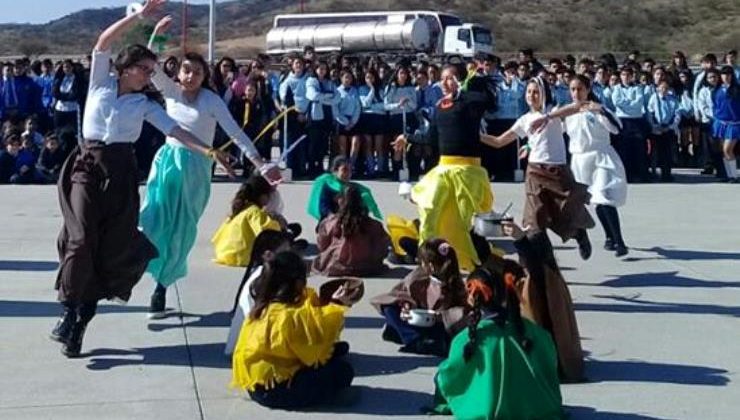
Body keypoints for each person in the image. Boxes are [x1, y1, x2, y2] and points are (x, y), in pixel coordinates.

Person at [51, 0, 232, 357]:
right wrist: (136, 16)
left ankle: (80, 320)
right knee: (82, 237)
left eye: (152, 70)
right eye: (146, 69)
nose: (151, 75)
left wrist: (210, 152)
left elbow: (176, 130)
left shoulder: (146, 105)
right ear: (127, 68)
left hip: (120, 173)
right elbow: (102, 42)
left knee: (109, 249)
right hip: (86, 166)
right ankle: (69, 310)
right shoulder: (100, 82)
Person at [140, 16, 281, 319]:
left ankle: (161, 288)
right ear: (177, 72)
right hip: (168, 161)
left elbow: (236, 133)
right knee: (152, 218)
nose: (190, 76)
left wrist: (260, 164)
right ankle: (140, 262)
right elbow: (148, 64)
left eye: (197, 72)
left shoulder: (211, 100)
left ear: (205, 76)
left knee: (181, 229)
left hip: (197, 169)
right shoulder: (170, 92)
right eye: (186, 70)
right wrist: (157, 36)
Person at [391, 64, 495, 271]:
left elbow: (489, 101)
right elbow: (431, 139)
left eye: (451, 78)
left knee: (462, 221)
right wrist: (407, 137)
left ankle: (472, 262)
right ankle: (426, 256)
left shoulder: (470, 103)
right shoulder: (439, 107)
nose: (446, 83)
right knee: (430, 211)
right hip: (443, 169)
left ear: (461, 81)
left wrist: (472, 83)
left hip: (467, 171)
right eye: (443, 78)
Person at [482, 77, 595, 260]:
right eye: (528, 92)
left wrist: (547, 117)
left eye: (536, 92)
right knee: (534, 220)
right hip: (535, 172)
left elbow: (578, 106)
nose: (531, 96)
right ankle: (542, 261)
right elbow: (499, 141)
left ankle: (579, 234)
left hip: (557, 171)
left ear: (544, 94)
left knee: (563, 213)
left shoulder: (554, 112)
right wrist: (475, 135)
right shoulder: (524, 119)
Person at [428, 267, 563, 419]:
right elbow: (550, 365)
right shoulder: (537, 333)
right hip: (538, 408)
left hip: (488, 411)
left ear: (472, 296)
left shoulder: (466, 339)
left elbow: (449, 376)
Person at [231, 251, 356, 409]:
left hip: (256, 383)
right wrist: (336, 305)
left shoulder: (264, 305)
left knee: (337, 350)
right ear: (297, 284)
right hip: (276, 390)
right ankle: (329, 397)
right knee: (343, 371)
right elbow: (312, 352)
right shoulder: (288, 317)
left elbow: (305, 324)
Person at [562, 75, 629, 256]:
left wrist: (601, 111)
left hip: (601, 157)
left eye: (580, 89)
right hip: (580, 161)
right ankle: (609, 237)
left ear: (588, 90)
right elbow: (549, 130)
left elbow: (617, 127)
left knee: (603, 196)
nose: (576, 93)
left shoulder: (597, 109)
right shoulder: (567, 112)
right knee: (595, 200)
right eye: (573, 89)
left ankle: (620, 242)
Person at [371, 239, 468, 357]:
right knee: (389, 307)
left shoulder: (454, 283)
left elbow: (464, 310)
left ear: (430, 266)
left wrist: (442, 316)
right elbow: (399, 292)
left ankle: (414, 339)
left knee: (443, 334)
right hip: (417, 318)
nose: (421, 265)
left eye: (423, 262)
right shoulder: (419, 275)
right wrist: (405, 305)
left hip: (436, 325)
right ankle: (415, 339)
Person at [225, 230, 293, 357]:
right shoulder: (265, 280)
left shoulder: (261, 273)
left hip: (245, 346)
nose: (290, 257)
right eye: (285, 253)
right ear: (268, 255)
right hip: (253, 350)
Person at [313, 185, 391, 276]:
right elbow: (382, 247)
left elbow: (322, 244)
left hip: (337, 265)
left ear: (340, 201)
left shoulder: (331, 222)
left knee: (318, 261)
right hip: (368, 266)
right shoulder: (373, 224)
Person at [211, 175, 281, 270]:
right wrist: (278, 224)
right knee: (285, 236)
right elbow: (267, 231)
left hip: (224, 253)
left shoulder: (239, 210)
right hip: (243, 257)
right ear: (262, 196)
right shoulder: (254, 212)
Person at [307, 155, 382, 223]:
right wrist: (332, 216)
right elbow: (323, 207)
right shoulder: (328, 186)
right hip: (330, 222)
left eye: (350, 170)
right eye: (344, 170)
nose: (348, 173)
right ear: (335, 171)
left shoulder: (354, 188)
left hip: (351, 222)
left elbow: (363, 210)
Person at [647, 79, 681, 181]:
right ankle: (653, 172)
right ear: (658, 88)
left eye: (666, 88)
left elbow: (677, 114)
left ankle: (666, 174)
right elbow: (650, 113)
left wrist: (672, 126)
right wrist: (654, 126)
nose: (664, 90)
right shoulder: (653, 98)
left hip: (668, 128)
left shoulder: (673, 99)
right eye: (662, 87)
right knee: (655, 152)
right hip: (657, 128)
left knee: (667, 153)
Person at [713, 66, 740, 182]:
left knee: (728, 149)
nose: (726, 77)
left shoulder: (737, 90)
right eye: (724, 74)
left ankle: (734, 175)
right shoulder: (717, 90)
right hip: (721, 123)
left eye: (729, 74)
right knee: (723, 150)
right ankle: (728, 175)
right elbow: (715, 105)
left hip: (735, 124)